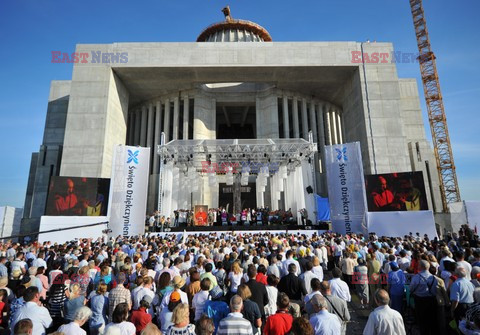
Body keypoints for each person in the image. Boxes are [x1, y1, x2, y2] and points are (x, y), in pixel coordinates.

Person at [409, 260, 438, 335]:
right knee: (431, 319)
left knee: (421, 319)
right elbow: (435, 291)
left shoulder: (416, 277)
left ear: (421, 267)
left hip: (420, 300)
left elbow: (411, 289)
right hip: (431, 300)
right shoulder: (434, 278)